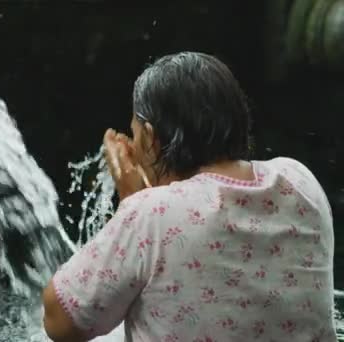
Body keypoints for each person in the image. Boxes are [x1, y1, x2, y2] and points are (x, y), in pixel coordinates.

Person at [42, 52, 336, 341]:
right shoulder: (299, 180)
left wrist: (130, 202)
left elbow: (60, 322)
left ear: (150, 137)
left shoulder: (149, 213)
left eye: (136, 135)